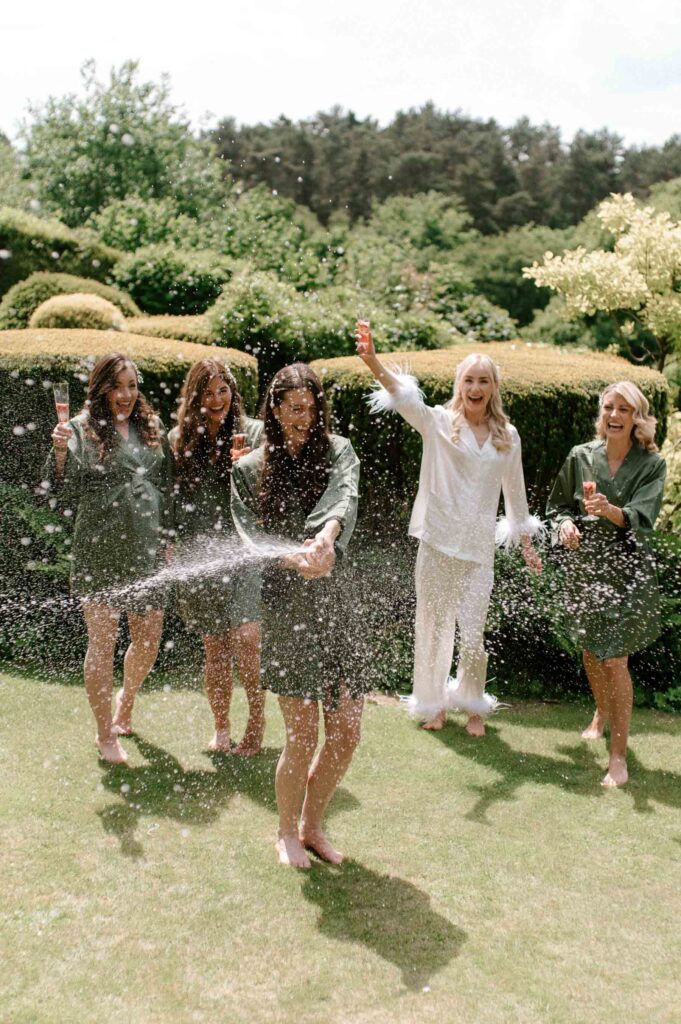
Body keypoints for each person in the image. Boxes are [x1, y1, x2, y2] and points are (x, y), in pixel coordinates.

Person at [356, 327, 542, 737]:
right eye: (469, 380)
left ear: (494, 387)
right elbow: (404, 398)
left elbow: (517, 496)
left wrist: (526, 544)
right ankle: (434, 704)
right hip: (438, 542)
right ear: (459, 385)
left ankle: (473, 705)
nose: (475, 387)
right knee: (434, 627)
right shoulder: (438, 422)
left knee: (473, 632)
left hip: (478, 551)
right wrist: (372, 361)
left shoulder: (507, 437)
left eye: (484, 380)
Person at [231, 363, 362, 869]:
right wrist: (293, 558)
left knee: (347, 732)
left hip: (337, 602)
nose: (305, 417)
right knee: (303, 735)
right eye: (294, 409)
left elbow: (344, 497)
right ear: (276, 408)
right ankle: (286, 832)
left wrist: (325, 542)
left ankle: (312, 825)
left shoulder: (338, 451)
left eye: (312, 407)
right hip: (287, 609)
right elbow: (248, 538)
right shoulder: (249, 469)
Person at [45, 353, 173, 764]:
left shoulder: (152, 427)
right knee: (103, 642)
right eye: (117, 386)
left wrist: (169, 537)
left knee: (149, 637)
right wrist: (60, 450)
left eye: (132, 385)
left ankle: (126, 701)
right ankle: (105, 735)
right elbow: (57, 488)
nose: (126, 395)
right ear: (101, 388)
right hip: (99, 548)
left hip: (148, 546)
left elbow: (167, 486)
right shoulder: (81, 429)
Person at [546, 382, 666, 787]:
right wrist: (564, 525)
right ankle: (600, 711)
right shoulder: (582, 456)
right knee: (591, 653)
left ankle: (618, 757)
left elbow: (642, 517)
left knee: (616, 660)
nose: (615, 416)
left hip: (628, 575)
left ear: (637, 418)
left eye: (624, 409)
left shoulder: (652, 465)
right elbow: (557, 507)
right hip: (586, 572)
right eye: (609, 408)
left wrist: (612, 511)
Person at [168, 358, 265, 755]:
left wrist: (248, 470)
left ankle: (256, 724)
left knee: (247, 638)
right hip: (200, 553)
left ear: (233, 392)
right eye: (207, 392)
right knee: (216, 647)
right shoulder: (179, 438)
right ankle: (221, 729)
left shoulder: (254, 433)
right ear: (195, 397)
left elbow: (273, 491)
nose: (216, 399)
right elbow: (171, 497)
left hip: (245, 551)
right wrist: (170, 542)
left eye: (222, 390)